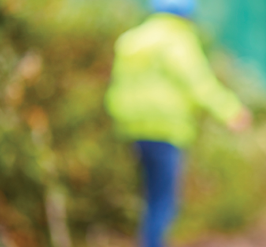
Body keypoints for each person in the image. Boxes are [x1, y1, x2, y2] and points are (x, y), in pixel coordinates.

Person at [104, 0, 250, 246]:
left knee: (150, 195)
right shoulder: (177, 40)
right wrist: (231, 112)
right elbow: (199, 83)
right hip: (166, 129)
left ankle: (149, 240)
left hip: (132, 128)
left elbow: (116, 85)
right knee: (163, 199)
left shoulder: (132, 40)